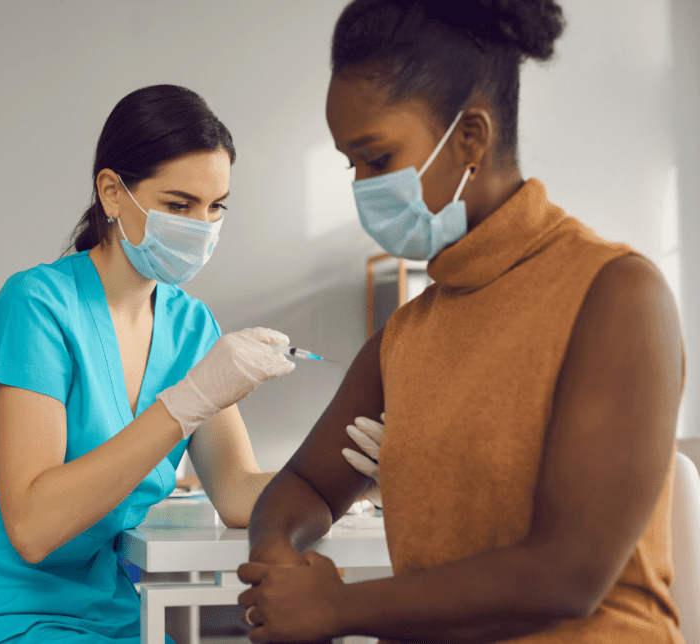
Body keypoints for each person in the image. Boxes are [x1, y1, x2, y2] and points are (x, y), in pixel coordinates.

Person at [237, 1, 686, 643]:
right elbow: (305, 483)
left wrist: (336, 607)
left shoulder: (616, 295)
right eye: (351, 164)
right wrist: (279, 550)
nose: (363, 187)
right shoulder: (407, 334)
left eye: (378, 157)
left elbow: (568, 575)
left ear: (471, 137)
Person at [0, 84, 298, 644]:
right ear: (111, 192)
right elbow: (33, 527)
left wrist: (363, 475)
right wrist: (186, 404)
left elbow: (237, 494)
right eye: (179, 205)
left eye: (216, 206)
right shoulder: (39, 306)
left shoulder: (191, 327)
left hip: (106, 609)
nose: (201, 226)